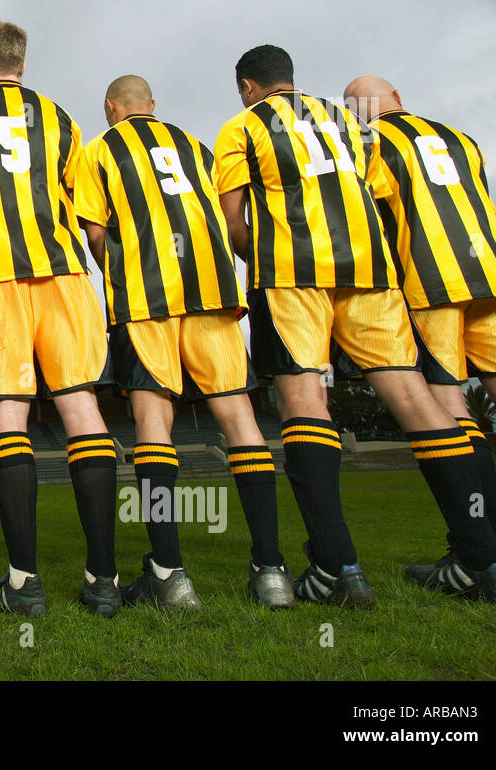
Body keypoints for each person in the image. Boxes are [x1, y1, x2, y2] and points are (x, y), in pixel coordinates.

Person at [213, 45, 496, 608]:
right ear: (293, 78)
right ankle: (486, 560)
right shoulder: (346, 121)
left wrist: (256, 256)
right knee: (414, 397)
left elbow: (234, 220)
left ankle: (338, 569)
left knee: (304, 399)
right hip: (371, 270)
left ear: (248, 87)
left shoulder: (242, 126)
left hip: (292, 270)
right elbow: (377, 195)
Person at [73, 75, 294, 609]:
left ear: (110, 108)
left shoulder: (98, 148)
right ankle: (272, 572)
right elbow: (224, 213)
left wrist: (124, 275)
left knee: (154, 421)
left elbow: (97, 234)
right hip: (212, 290)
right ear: (153, 105)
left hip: (148, 294)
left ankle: (169, 574)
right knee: (240, 418)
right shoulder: (195, 145)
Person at [0, 22, 119, 618]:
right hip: (67, 277)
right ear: (22, 63)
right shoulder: (62, 119)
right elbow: (87, 207)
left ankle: (24, 583)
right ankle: (104, 578)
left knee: (9, 418)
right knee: (83, 411)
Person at [344, 74, 496, 590]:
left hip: (430, 282)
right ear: (398, 98)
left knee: (448, 407)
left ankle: (480, 557)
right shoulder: (460, 137)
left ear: (356, 113)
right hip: (491, 276)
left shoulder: (368, 144)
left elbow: (371, 217)